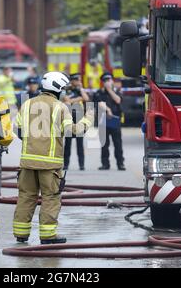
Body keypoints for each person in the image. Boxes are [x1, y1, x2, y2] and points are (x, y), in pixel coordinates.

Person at [13, 72, 93, 245]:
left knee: (26, 196)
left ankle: (21, 234)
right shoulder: (60, 107)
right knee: (50, 198)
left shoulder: (27, 104)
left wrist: (32, 141)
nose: (64, 92)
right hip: (49, 165)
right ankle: (48, 235)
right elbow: (73, 130)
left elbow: (17, 129)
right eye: (63, 89)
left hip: (27, 163)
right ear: (56, 88)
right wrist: (88, 119)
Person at [93, 72, 126, 171]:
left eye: (109, 80)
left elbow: (118, 100)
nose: (107, 82)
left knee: (118, 143)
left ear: (112, 81)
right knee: (104, 144)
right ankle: (105, 164)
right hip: (103, 120)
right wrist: (108, 109)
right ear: (102, 82)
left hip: (115, 120)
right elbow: (98, 103)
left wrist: (109, 90)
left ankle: (120, 164)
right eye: (105, 81)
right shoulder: (98, 92)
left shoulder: (117, 91)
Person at [63, 73, 89, 171]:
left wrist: (81, 89)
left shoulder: (80, 90)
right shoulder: (67, 89)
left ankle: (81, 165)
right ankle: (66, 164)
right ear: (72, 81)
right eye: (77, 80)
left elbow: (86, 98)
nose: (78, 82)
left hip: (79, 119)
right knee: (68, 144)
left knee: (80, 144)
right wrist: (78, 99)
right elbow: (67, 100)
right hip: (69, 119)